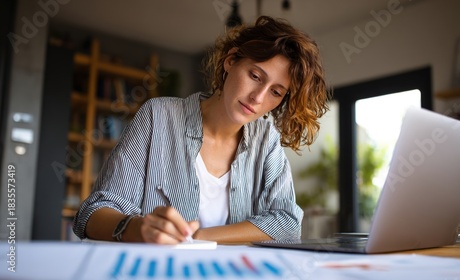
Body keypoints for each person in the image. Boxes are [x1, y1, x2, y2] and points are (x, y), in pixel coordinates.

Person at [73, 16, 328, 244]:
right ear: (230, 61)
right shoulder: (158, 116)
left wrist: (197, 238)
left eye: (276, 92)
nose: (258, 98)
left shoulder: (266, 139)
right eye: (255, 76)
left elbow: (287, 223)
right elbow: (92, 214)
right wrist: (136, 228)